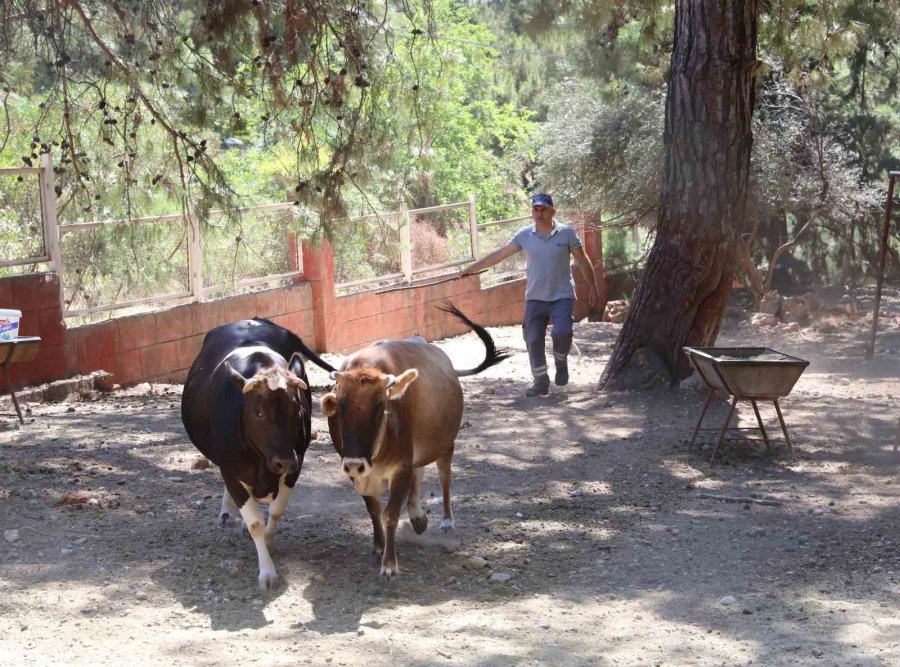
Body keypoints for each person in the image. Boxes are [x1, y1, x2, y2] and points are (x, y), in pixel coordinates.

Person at [457, 193, 598, 396]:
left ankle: (561, 361)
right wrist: (472, 268)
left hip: (562, 295)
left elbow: (582, 260)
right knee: (532, 339)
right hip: (535, 297)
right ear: (532, 211)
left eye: (543, 209)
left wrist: (592, 286)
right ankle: (540, 381)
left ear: (553, 211)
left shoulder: (566, 233)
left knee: (562, 333)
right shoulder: (524, 235)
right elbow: (499, 254)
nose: (539, 213)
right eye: (535, 209)